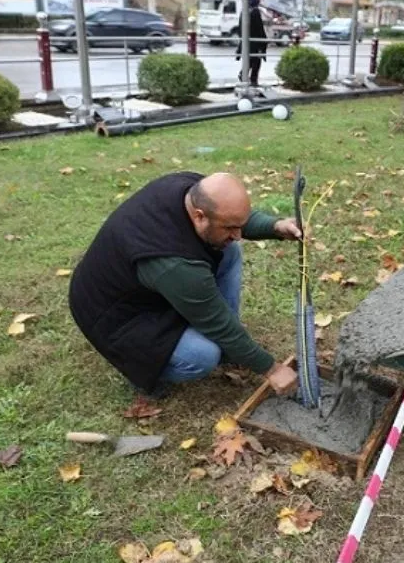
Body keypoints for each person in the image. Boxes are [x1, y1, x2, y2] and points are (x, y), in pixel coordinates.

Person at [67, 171, 302, 399]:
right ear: (199, 216)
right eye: (231, 228)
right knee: (203, 356)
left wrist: (275, 226)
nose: (238, 234)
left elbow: (231, 219)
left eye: (238, 225)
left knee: (229, 250)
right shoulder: (175, 265)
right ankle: (141, 367)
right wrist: (271, 369)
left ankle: (230, 347)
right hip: (113, 317)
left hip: (138, 285)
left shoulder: (192, 189)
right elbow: (218, 323)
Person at [237, 0, 268, 89]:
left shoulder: (243, 12)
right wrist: (264, 41)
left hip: (246, 41)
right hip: (255, 42)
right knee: (256, 61)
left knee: (249, 61)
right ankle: (253, 80)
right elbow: (259, 28)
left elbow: (240, 28)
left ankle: (243, 75)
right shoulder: (255, 12)